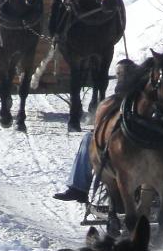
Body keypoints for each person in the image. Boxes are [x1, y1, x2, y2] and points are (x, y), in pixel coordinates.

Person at [52, 58, 139, 202]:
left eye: (121, 76)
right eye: (120, 75)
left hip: (126, 142)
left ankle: (78, 188)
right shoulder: (142, 95)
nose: (120, 79)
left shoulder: (123, 99)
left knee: (88, 139)